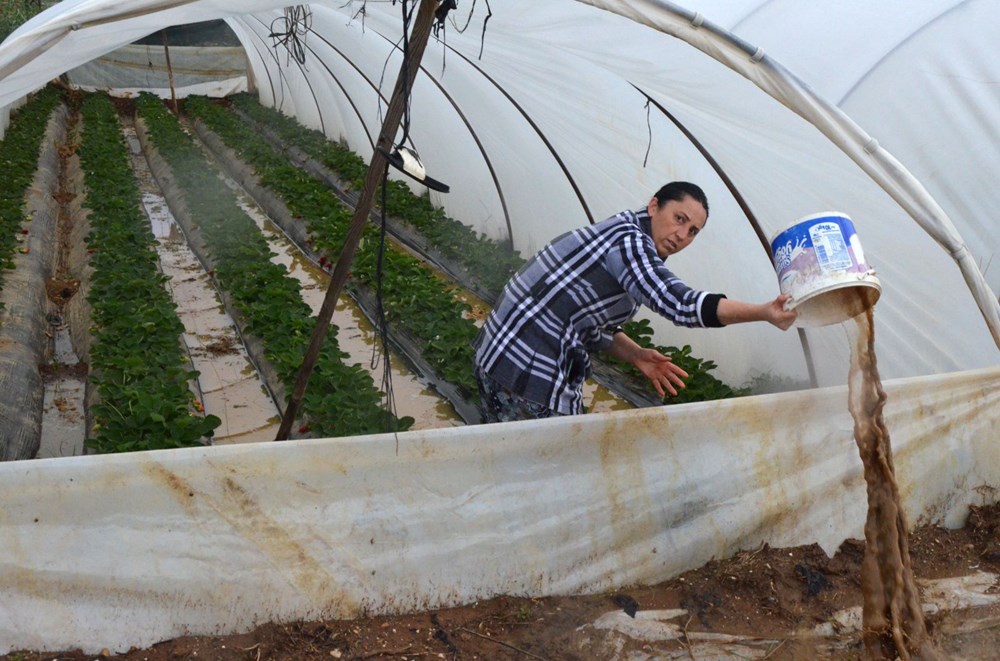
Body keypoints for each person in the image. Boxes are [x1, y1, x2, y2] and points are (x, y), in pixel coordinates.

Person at [472, 181, 797, 423]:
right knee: (554, 468)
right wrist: (763, 312)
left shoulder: (625, 234)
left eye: (694, 230)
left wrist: (637, 355)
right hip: (526, 370)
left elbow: (586, 322)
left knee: (506, 460)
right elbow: (678, 303)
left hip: (498, 354)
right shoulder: (630, 241)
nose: (683, 234)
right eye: (679, 218)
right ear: (654, 206)